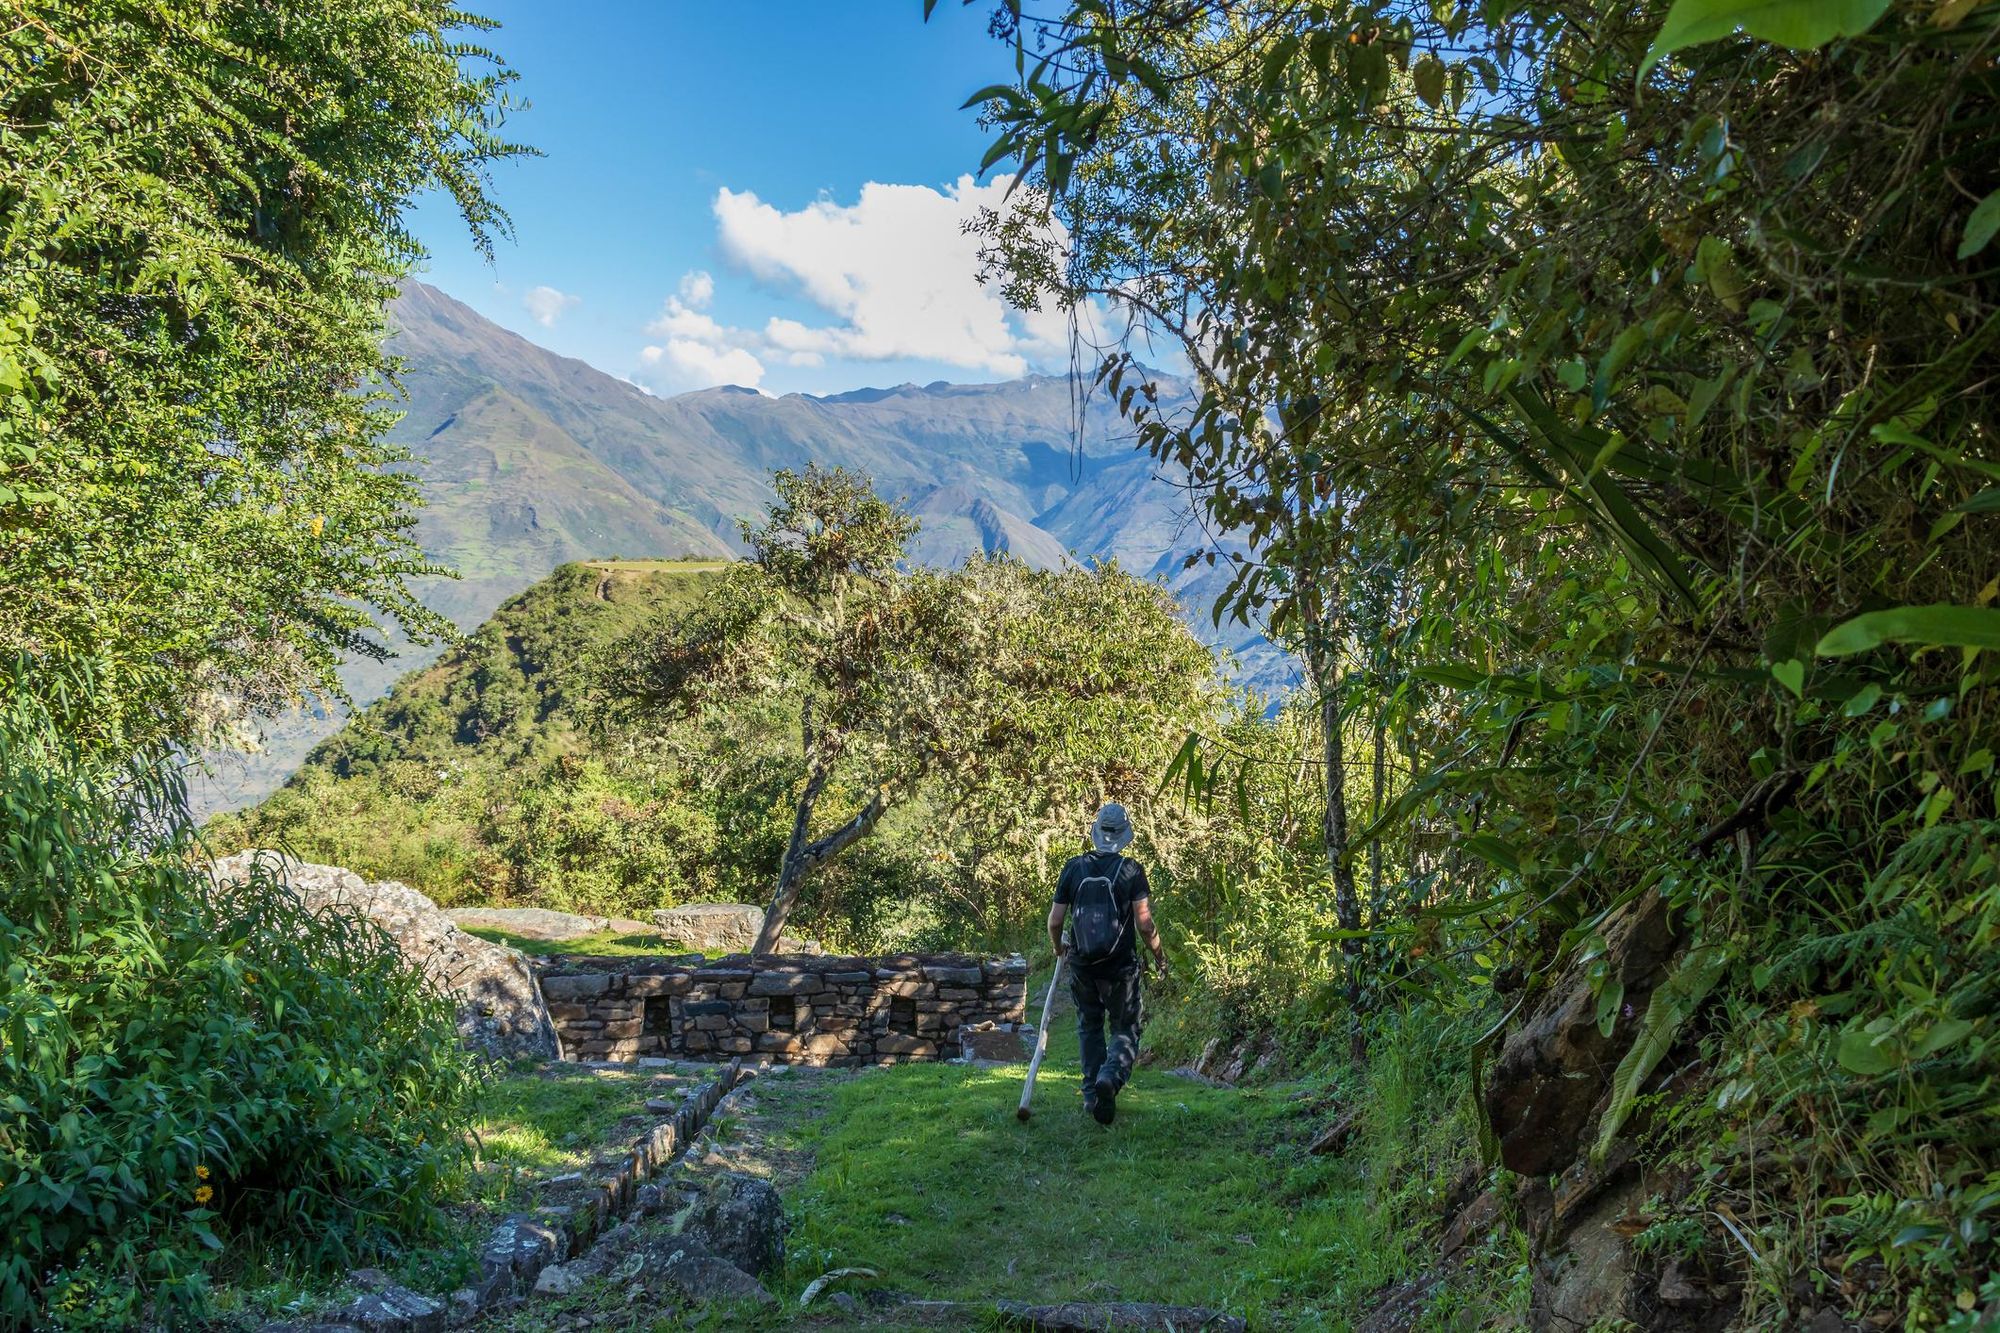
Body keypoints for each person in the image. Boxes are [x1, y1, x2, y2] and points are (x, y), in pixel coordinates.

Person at [1047, 802, 1167, 1125]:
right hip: (1120, 968)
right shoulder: (1131, 870)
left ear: (1097, 832)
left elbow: (1056, 920)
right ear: (1124, 836)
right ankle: (1110, 1078)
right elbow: (1144, 924)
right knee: (1125, 1027)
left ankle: (1091, 1096)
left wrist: (1059, 948)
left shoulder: (1073, 868)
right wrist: (1159, 955)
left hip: (1082, 965)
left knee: (1089, 1026)